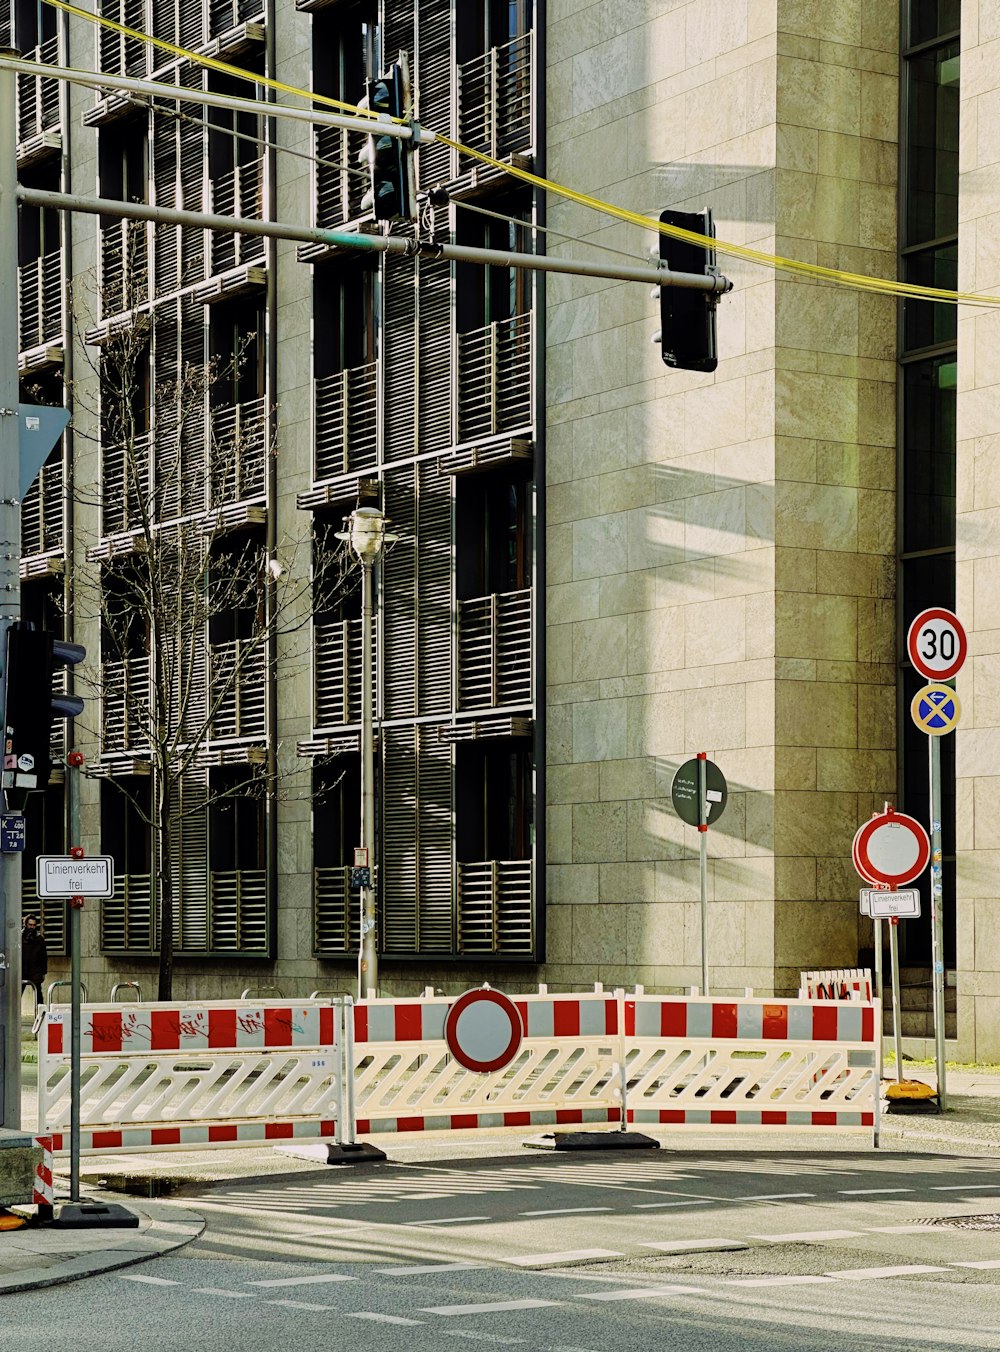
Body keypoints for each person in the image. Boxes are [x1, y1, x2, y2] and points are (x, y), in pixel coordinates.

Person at [21, 913, 47, 1007]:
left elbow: (44, 956)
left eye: (34, 925)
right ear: (25, 924)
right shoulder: (19, 937)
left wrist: (43, 972)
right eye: (30, 925)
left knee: (38, 995)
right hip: (22, 970)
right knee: (16, 995)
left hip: (35, 970)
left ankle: (41, 1015)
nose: (32, 927)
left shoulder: (39, 939)